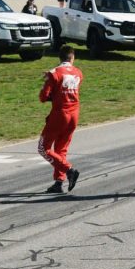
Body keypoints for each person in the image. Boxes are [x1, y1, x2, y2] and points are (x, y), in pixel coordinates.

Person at [38, 44, 84, 194]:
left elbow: (43, 97)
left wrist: (47, 81)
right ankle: (59, 182)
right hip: (74, 114)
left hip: (60, 115)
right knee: (61, 149)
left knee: (43, 149)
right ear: (72, 57)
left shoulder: (54, 73)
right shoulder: (78, 73)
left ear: (60, 57)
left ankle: (69, 170)